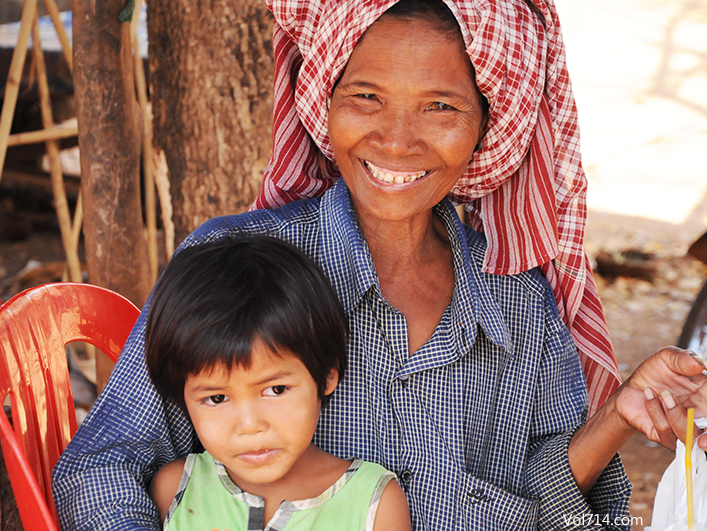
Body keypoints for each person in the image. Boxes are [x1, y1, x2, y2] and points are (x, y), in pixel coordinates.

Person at [53, 1, 707, 529]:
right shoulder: (234, 269)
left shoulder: (518, 299)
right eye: (366, 96)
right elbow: (102, 465)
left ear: (487, 124)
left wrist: (619, 411)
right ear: (325, 104)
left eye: (441, 106)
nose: (397, 139)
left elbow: (541, 492)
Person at [144, 236, 410, 530]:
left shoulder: (373, 504)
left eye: (276, 389)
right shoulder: (177, 490)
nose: (249, 425)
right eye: (217, 398)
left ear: (327, 374)